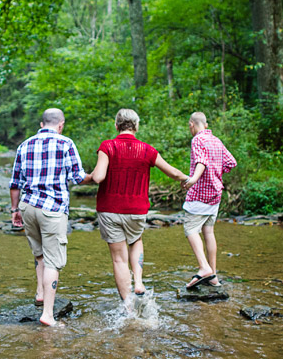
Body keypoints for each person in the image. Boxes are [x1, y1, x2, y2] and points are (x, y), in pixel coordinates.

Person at [91, 109, 188, 310]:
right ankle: (138, 282)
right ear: (136, 126)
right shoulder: (147, 150)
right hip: (137, 209)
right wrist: (188, 179)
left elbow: (98, 177)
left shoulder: (107, 146)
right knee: (135, 240)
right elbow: (174, 172)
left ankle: (128, 307)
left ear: (116, 126)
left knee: (119, 259)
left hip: (109, 209)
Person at [9, 108, 91, 326]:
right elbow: (78, 177)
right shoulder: (66, 144)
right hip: (52, 209)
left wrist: (14, 210)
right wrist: (98, 176)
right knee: (53, 261)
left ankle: (40, 293)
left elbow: (15, 183)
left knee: (39, 253)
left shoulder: (24, 145)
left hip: (28, 207)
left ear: (42, 123)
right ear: (61, 124)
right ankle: (47, 314)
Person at [181, 111, 237, 289]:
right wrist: (216, 174)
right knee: (209, 231)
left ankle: (204, 268)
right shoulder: (216, 140)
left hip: (200, 194)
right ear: (206, 124)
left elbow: (201, 162)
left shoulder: (197, 139)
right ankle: (213, 275)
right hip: (216, 195)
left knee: (190, 229)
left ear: (192, 124)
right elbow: (231, 162)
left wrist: (193, 180)